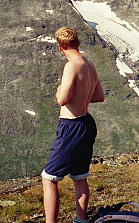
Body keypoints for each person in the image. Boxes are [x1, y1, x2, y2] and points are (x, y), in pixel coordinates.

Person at [42, 27, 105, 223]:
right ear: (77, 43)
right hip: (86, 123)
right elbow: (99, 96)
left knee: (49, 177)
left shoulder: (71, 66)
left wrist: (59, 89)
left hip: (71, 125)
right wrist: (81, 97)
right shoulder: (89, 64)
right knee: (79, 176)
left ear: (60, 47)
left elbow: (62, 99)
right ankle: (80, 220)